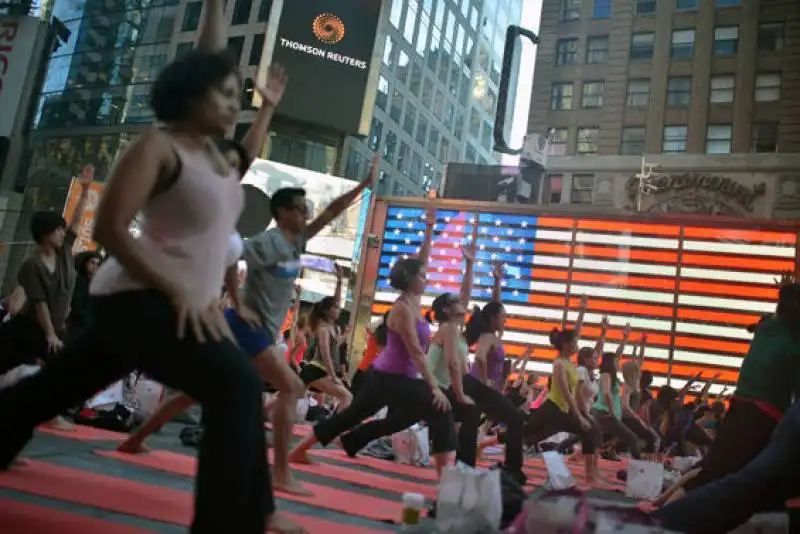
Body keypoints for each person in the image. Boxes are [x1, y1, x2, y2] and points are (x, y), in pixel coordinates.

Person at [0, 10, 303, 532]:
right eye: (225, 93)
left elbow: (246, 148)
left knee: (54, 388)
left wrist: (268, 110)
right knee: (235, 386)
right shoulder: (158, 147)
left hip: (165, 301)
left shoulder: (218, 161)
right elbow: (109, 231)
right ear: (191, 94)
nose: (235, 102)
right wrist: (177, 289)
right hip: (139, 297)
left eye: (238, 95)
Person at [226, 154, 378, 495]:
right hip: (244, 328)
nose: (306, 213)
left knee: (207, 388)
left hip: (258, 332)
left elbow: (331, 212)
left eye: (306, 208)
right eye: (299, 208)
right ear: (281, 213)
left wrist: (365, 186)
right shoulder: (266, 243)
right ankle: (280, 471)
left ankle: (139, 437)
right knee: (293, 387)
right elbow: (229, 260)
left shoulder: (295, 242)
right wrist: (237, 303)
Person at [288, 256, 457, 480]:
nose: (427, 280)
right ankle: (447, 481)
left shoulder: (414, 302)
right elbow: (416, 352)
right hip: (390, 378)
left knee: (351, 417)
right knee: (440, 408)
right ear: (411, 279)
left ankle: (305, 449)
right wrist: (434, 387)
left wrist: (428, 227)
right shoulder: (402, 310)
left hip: (389, 377)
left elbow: (421, 258)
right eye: (423, 276)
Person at [651, 400, 800, 534]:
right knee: (743, 489)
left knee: (740, 488)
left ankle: (652, 523)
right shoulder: (710, 424)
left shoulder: (711, 424)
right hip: (763, 410)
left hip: (760, 410)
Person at [524, 296, 604, 483]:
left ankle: (590, 475)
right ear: (566, 345)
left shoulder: (568, 362)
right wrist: (579, 416)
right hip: (553, 409)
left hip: (561, 411)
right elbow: (568, 395)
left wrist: (582, 310)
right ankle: (488, 443)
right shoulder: (559, 363)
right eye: (574, 343)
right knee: (525, 433)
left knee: (589, 431)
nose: (577, 345)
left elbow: (575, 332)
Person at [299, 265, 352, 411]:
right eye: (335, 308)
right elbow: (326, 353)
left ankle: (263, 409)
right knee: (347, 397)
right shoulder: (323, 328)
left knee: (288, 397)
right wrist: (334, 376)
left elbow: (335, 344)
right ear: (327, 311)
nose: (339, 310)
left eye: (338, 307)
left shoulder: (334, 328)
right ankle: (333, 428)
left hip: (319, 371)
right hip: (316, 370)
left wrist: (340, 280)